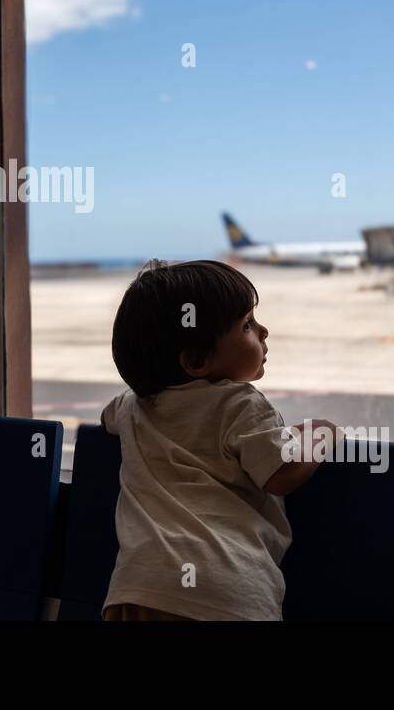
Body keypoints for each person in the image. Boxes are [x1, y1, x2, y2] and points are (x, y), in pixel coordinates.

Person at [100, 258, 337, 621]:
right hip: (224, 590)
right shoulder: (239, 403)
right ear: (196, 360)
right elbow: (282, 471)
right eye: (247, 324)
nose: (264, 331)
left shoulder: (131, 407)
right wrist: (322, 432)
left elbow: (107, 416)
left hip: (136, 588)